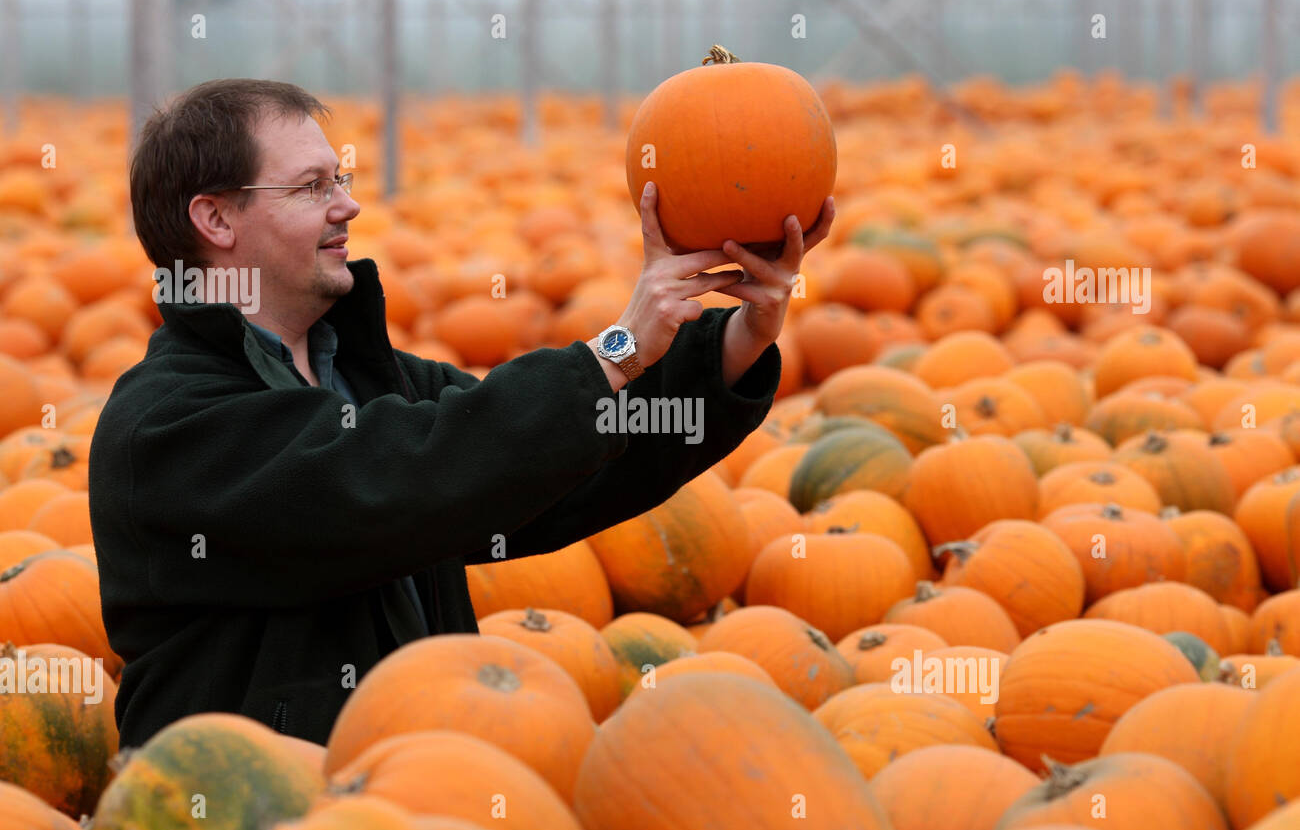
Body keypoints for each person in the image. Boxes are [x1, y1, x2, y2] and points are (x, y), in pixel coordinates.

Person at [88, 78, 834, 747]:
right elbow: (400, 477)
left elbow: (540, 467)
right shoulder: (164, 426)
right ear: (216, 219)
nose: (347, 203)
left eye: (340, 177)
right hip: (254, 817)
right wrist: (615, 349)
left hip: (422, 793)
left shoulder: (366, 377)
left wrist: (735, 341)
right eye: (312, 186)